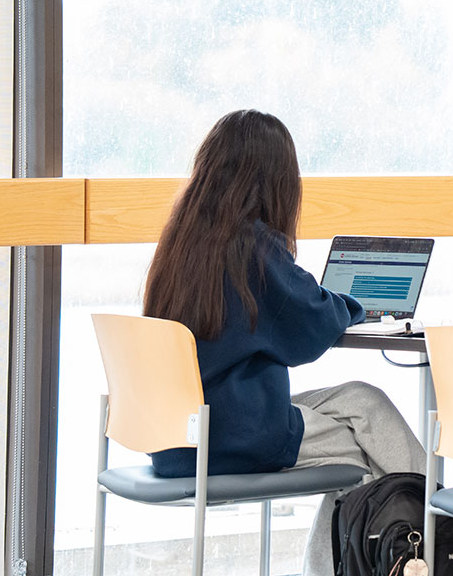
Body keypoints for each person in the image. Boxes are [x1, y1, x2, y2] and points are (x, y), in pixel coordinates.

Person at [143, 109, 426, 576]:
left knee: (364, 401)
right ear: (276, 180)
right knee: (373, 443)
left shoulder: (182, 245)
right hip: (233, 435)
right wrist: (356, 306)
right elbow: (310, 328)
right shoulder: (252, 248)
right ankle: (444, 548)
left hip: (177, 433)